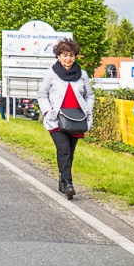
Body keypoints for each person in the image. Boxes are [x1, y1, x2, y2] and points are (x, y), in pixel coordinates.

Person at [37, 38, 94, 200]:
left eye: (71, 55)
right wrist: (48, 112)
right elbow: (42, 94)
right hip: (56, 119)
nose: (68, 59)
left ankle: (63, 181)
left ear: (75, 56)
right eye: (64, 55)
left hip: (76, 119)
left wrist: (88, 111)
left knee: (70, 152)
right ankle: (68, 183)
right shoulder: (51, 73)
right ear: (58, 56)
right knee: (64, 150)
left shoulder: (82, 74)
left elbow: (89, 95)